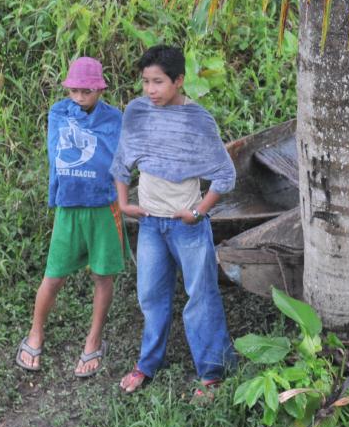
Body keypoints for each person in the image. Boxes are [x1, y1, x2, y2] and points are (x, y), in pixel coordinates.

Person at [111, 45, 237, 398]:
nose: (150, 90)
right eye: (145, 82)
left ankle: (213, 373)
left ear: (179, 81)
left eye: (159, 82)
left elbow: (225, 176)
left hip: (187, 227)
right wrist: (124, 203)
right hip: (150, 223)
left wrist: (198, 212)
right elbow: (121, 162)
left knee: (201, 296)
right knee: (151, 295)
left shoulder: (197, 120)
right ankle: (147, 364)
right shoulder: (137, 112)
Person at [16, 56, 124, 377]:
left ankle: (94, 341)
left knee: (102, 276)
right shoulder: (59, 112)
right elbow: (58, 153)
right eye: (74, 91)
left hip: (102, 209)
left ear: (100, 90)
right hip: (69, 209)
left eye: (87, 92)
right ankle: (35, 332)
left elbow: (117, 160)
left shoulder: (114, 119)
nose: (79, 97)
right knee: (54, 275)